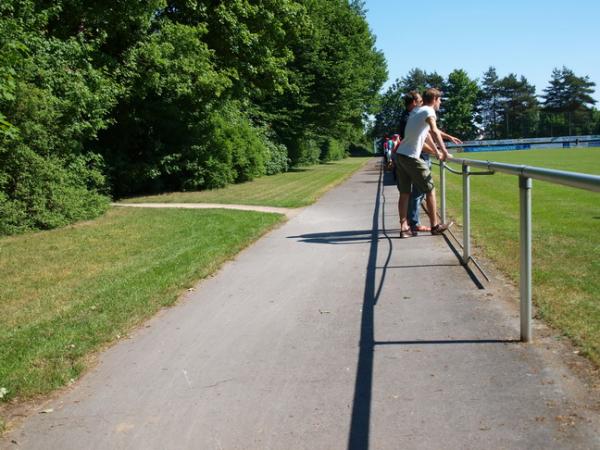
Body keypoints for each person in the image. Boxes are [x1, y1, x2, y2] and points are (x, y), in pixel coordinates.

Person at [394, 88, 452, 238]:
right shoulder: (429, 111)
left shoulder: (416, 112)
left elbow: (426, 134)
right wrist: (444, 152)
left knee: (405, 193)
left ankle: (404, 228)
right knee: (430, 189)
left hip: (400, 155)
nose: (440, 103)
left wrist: (438, 151)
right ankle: (435, 226)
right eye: (439, 100)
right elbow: (434, 130)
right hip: (411, 157)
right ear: (434, 99)